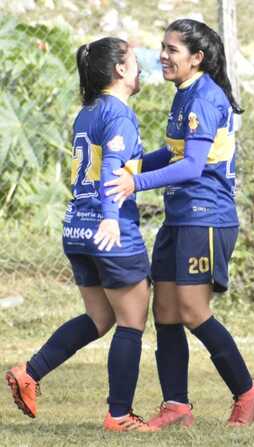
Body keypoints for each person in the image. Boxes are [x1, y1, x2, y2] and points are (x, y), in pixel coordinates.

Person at [104, 19, 254, 428]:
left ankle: (248, 391)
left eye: (172, 49)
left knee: (193, 311)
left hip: (206, 217)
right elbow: (175, 152)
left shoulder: (202, 98)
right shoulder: (184, 94)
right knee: (166, 312)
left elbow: (193, 167)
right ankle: (176, 406)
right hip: (180, 217)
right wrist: (135, 163)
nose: (162, 55)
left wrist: (134, 182)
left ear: (197, 57)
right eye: (162, 47)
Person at [5, 37, 158, 432]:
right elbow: (112, 174)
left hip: (76, 228)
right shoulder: (120, 114)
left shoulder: (88, 113)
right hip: (109, 230)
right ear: (120, 70)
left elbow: (123, 164)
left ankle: (30, 372)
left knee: (99, 316)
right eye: (133, 59)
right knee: (131, 322)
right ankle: (119, 416)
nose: (140, 64)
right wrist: (111, 217)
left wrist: (175, 155)